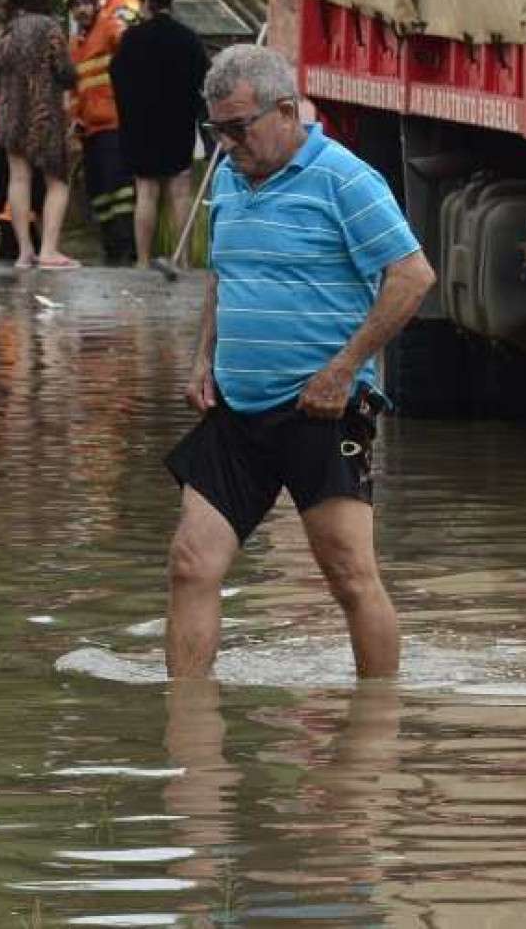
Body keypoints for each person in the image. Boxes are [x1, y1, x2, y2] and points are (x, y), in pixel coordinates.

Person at [165, 45, 435, 680]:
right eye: (216, 132)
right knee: (189, 562)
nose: (226, 146)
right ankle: (188, 734)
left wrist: (345, 370)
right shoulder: (229, 178)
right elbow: (223, 274)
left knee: (348, 575)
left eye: (237, 129)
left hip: (321, 410)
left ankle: (377, 726)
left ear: (286, 111)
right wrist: (203, 356)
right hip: (236, 407)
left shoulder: (346, 180)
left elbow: (412, 276)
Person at [110, 0, 209, 268]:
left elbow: (116, 76)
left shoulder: (132, 38)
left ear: (147, 2)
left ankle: (142, 260)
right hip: (179, 122)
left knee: (147, 193)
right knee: (180, 193)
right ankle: (185, 260)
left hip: (141, 124)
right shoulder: (188, 38)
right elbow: (204, 79)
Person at [0, 0, 78, 270]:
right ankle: (49, 250)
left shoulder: (1, 31)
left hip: (10, 113)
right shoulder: (49, 27)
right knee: (57, 181)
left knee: (19, 178)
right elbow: (65, 72)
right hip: (44, 112)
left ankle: (25, 251)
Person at [62, 0, 137, 265]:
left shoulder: (109, 27)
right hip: (90, 129)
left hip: (115, 124)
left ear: (96, 3)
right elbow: (76, 90)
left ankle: (125, 250)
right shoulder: (75, 44)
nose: (81, 9)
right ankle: (112, 249)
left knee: (118, 190)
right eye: (75, 5)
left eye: (85, 3)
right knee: (100, 194)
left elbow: (129, 44)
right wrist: (75, 121)